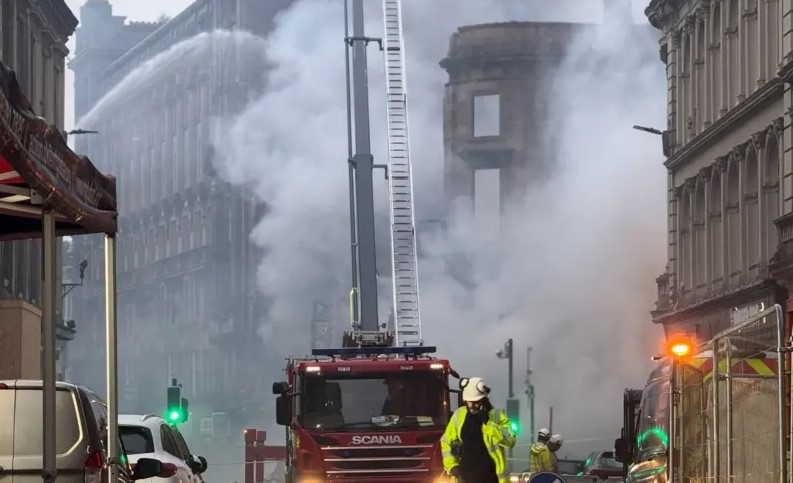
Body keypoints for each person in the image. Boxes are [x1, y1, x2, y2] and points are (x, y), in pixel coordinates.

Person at [440, 377, 516, 483]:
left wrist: (489, 424)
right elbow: (445, 441)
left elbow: (510, 441)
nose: (472, 406)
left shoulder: (497, 416)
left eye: (475, 402)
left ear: (483, 400)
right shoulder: (459, 415)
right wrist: (452, 466)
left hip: (492, 479)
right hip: (464, 479)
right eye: (469, 402)